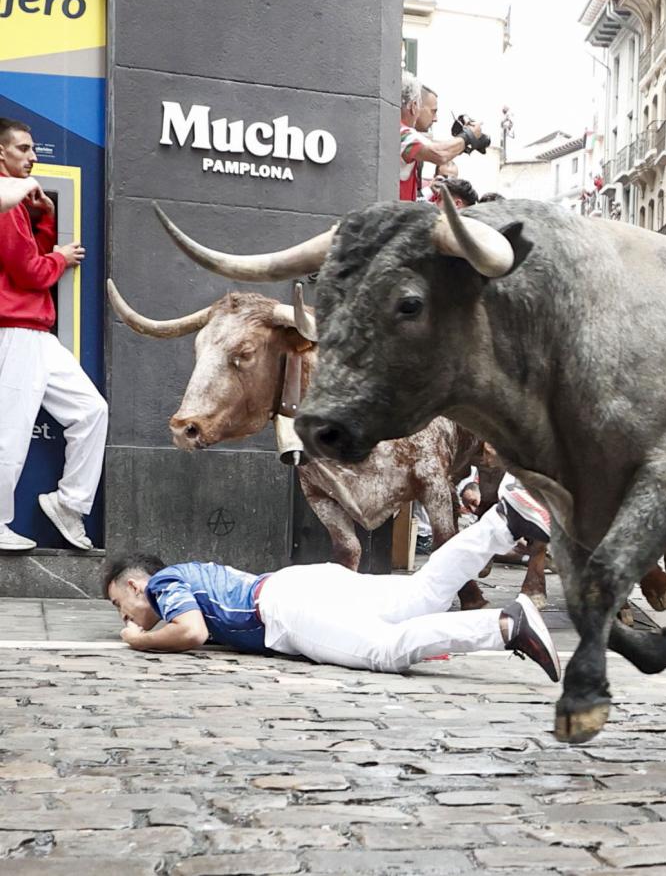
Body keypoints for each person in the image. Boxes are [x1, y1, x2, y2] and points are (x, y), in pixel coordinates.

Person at [102, 498, 562, 675]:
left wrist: (140, 640)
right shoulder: (185, 576)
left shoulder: (166, 581)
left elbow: (190, 632)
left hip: (285, 609)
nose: (124, 616)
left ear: (136, 584)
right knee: (419, 595)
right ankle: (501, 523)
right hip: (304, 584)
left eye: (120, 605)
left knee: (385, 651)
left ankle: (505, 626)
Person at [0, 118, 105, 553]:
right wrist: (60, 258)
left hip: (35, 333)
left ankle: (68, 503)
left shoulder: (18, 205)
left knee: (91, 411)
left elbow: (29, 257)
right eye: (23, 149)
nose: (32, 157)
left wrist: (44, 218)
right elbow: (30, 271)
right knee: (9, 432)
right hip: (14, 331)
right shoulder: (5, 204)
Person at [399, 72, 482, 203]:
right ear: (414, 106)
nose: (436, 118)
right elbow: (440, 153)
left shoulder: (399, 132)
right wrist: (468, 136)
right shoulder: (402, 133)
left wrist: (462, 141)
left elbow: (437, 147)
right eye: (434, 111)